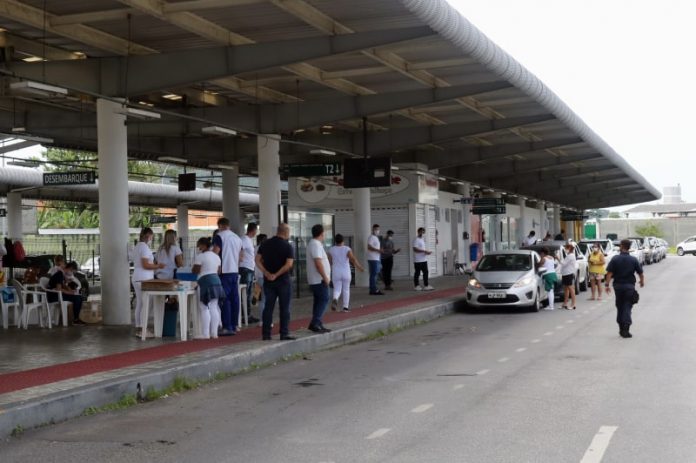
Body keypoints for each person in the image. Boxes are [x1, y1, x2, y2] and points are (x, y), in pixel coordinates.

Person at [256, 223, 295, 341]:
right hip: (283, 281)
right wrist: (276, 274)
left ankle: (266, 334)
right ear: (286, 232)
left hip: (268, 281)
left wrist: (267, 273)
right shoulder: (288, 246)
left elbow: (257, 260)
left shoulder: (265, 243)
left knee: (268, 307)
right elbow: (288, 264)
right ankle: (284, 333)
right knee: (285, 308)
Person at [605, 239, 644, 338]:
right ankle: (626, 329)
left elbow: (609, 273)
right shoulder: (633, 260)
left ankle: (621, 328)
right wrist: (642, 281)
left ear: (622, 246)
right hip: (629, 287)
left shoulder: (615, 259)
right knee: (627, 306)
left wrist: (607, 285)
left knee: (619, 306)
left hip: (618, 287)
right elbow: (640, 273)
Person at [132, 227, 165, 337]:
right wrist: (158, 266)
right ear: (148, 236)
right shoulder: (145, 248)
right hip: (144, 278)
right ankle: (143, 329)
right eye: (152, 237)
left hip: (137, 277)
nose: (152, 239)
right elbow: (145, 265)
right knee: (146, 303)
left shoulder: (137, 246)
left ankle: (139, 328)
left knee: (140, 303)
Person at [212, 217, 243, 336]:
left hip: (224, 272)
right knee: (234, 299)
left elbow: (216, 252)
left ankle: (227, 326)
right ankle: (235, 325)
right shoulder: (237, 238)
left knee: (224, 300)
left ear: (220, 226)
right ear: (228, 225)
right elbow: (241, 257)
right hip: (235, 271)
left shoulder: (220, 236)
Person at [192, 237, 224, 339]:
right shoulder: (216, 257)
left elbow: (195, 270)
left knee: (204, 307)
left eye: (199, 245)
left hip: (205, 282)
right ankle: (214, 333)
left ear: (204, 245)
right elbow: (219, 271)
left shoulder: (200, 256)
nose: (198, 247)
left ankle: (205, 334)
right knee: (214, 307)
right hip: (217, 281)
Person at [328, 233, 364, 312]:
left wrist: (328, 272)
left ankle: (335, 298)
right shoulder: (347, 249)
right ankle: (345, 307)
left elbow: (329, 263)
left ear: (335, 241)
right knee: (346, 289)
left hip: (336, 272)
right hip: (346, 272)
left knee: (337, 289)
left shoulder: (331, 250)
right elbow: (353, 259)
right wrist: (359, 267)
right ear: (343, 240)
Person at [306, 224, 332, 333]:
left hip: (317, 279)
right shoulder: (315, 245)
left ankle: (317, 322)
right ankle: (315, 322)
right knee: (324, 299)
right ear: (321, 233)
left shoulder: (315, 244)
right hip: (319, 279)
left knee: (318, 300)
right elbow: (318, 263)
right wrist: (325, 277)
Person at [47, 261, 85, 325]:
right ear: (70, 269)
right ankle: (76, 320)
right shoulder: (59, 274)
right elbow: (58, 289)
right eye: (72, 271)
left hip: (57, 295)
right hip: (53, 296)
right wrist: (70, 293)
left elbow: (63, 285)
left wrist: (70, 290)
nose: (71, 274)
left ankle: (76, 318)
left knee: (79, 297)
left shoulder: (62, 274)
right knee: (77, 298)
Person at [239, 223, 260, 324]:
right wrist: (241, 258)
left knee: (247, 293)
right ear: (253, 230)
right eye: (256, 230)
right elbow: (240, 248)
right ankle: (245, 316)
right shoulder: (244, 239)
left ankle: (247, 315)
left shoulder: (248, 240)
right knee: (246, 293)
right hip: (245, 269)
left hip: (249, 269)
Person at [367, 224, 384, 295]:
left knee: (375, 274)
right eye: (376, 229)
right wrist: (378, 250)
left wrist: (379, 251)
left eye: (378, 229)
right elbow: (369, 247)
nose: (377, 231)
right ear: (373, 229)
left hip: (376, 258)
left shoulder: (376, 238)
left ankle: (374, 288)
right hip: (372, 258)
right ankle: (373, 289)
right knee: (373, 274)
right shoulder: (371, 237)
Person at [560, 242, 577, 310]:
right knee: (566, 289)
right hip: (565, 274)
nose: (565, 249)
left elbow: (563, 264)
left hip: (568, 274)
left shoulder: (570, 256)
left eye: (566, 248)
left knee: (571, 289)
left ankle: (573, 304)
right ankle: (565, 303)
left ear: (569, 248)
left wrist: (558, 259)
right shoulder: (568, 255)